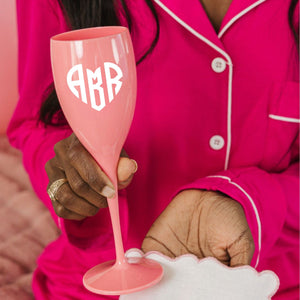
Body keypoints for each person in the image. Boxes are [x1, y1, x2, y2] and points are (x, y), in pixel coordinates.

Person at [7, 0, 299, 299]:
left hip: (275, 284)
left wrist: (250, 205)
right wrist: (72, 181)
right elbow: (38, 122)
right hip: (92, 285)